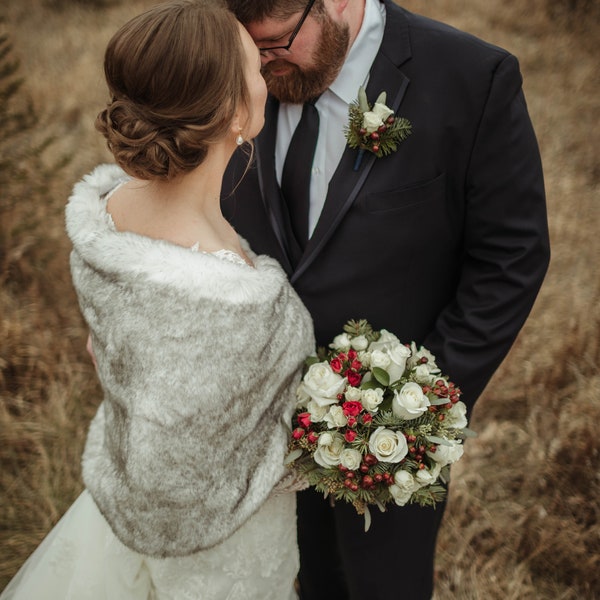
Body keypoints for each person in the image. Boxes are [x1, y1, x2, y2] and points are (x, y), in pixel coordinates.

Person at [220, 0, 550, 598]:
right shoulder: (234, 66)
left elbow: (510, 258)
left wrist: (416, 407)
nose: (263, 67)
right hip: (253, 434)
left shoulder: (472, 78)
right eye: (251, 49)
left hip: (385, 437)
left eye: (277, 44)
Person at [0, 1, 314, 599]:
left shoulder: (112, 215)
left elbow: (120, 352)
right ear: (230, 113)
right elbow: (196, 455)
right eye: (254, 66)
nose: (265, 77)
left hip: (121, 492)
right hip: (219, 546)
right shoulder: (233, 303)